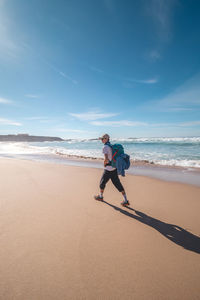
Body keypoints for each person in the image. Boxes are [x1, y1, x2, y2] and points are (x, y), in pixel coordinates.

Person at [94, 134, 130, 206]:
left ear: (106, 139)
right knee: (118, 184)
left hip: (108, 169)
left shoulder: (105, 147)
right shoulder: (111, 146)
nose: (101, 140)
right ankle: (126, 200)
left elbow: (106, 159)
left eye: (102, 139)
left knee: (102, 183)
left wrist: (104, 163)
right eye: (101, 139)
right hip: (114, 168)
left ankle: (100, 197)